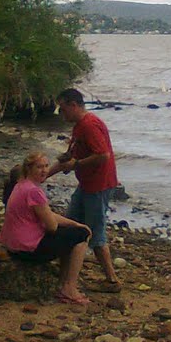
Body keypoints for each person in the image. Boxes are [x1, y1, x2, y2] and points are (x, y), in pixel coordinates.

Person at [48, 88, 121, 292]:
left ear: (73, 105)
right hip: (86, 184)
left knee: (95, 233)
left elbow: (103, 155)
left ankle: (112, 280)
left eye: (63, 110)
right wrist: (43, 175)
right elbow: (70, 157)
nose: (62, 114)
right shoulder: (79, 127)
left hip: (98, 185)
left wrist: (76, 164)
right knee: (70, 225)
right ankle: (64, 270)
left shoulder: (89, 125)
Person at [0, 152, 92, 305]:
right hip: (28, 248)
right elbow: (52, 226)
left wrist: (74, 223)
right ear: (29, 169)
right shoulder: (34, 191)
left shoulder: (20, 185)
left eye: (46, 166)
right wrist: (78, 228)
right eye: (39, 167)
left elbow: (46, 213)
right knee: (82, 235)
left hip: (13, 245)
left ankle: (62, 284)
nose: (44, 171)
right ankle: (69, 286)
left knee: (74, 232)